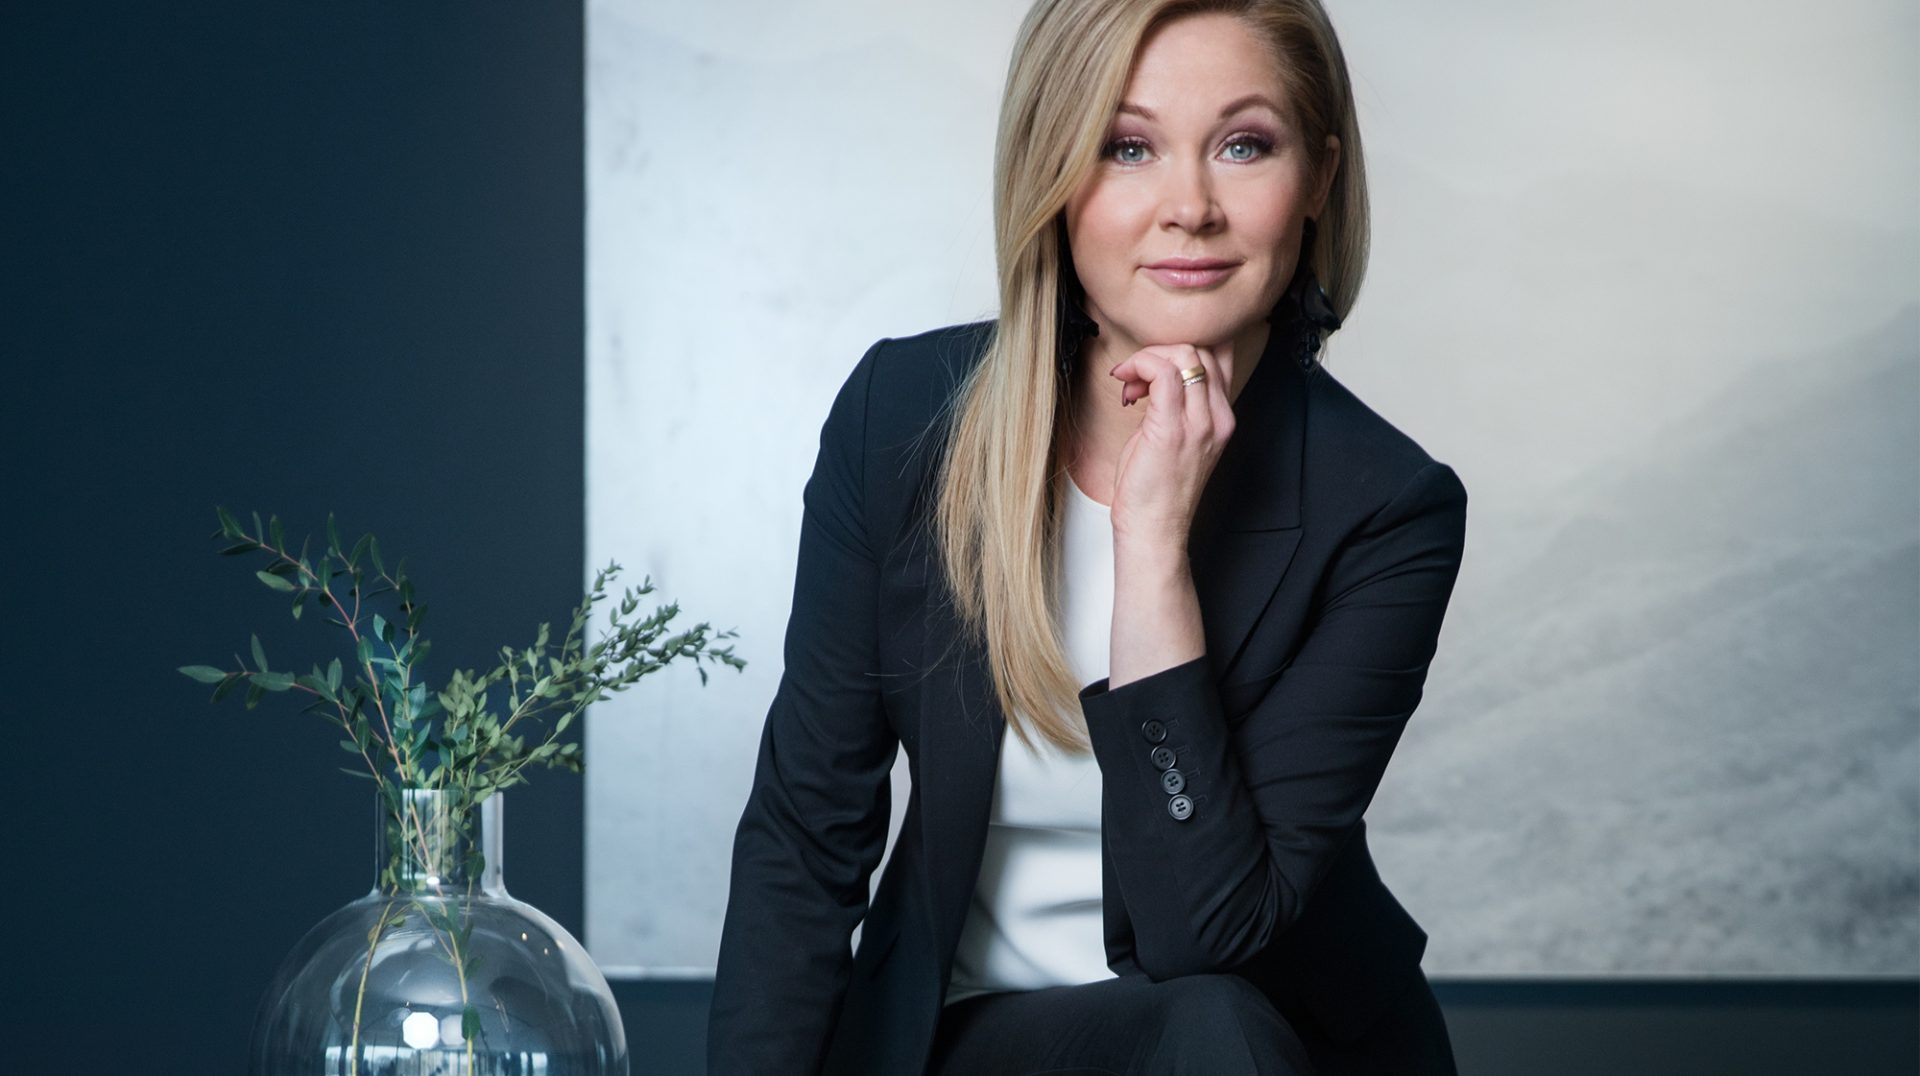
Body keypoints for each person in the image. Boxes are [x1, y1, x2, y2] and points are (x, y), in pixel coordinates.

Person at [709, 0, 1468, 1072]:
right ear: (1052, 172)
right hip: (967, 1038)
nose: (1190, 208)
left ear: (1319, 181)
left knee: (1211, 1020)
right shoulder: (902, 418)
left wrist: (1150, 544)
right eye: (1128, 147)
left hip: (1257, 1042)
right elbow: (805, 838)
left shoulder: (1387, 507)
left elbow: (1208, 933)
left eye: (1245, 145)